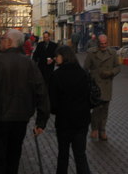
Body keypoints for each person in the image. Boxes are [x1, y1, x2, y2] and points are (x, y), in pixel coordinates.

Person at [0, 29, 50, 174]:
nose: (0, 41)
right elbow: (41, 92)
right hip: (20, 118)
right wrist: (41, 120)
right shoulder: (29, 63)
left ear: (9, 42)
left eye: (2, 39)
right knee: (14, 155)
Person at [48, 45, 92, 174]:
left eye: (57, 56)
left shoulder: (56, 75)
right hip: (81, 121)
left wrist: (56, 111)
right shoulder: (83, 73)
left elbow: (53, 103)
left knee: (63, 155)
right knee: (80, 155)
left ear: (64, 57)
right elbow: (89, 96)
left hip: (64, 122)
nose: (55, 58)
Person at [84, 34, 120, 140]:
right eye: (101, 44)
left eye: (105, 44)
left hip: (107, 84)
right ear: (98, 43)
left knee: (105, 109)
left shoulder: (112, 53)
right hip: (96, 86)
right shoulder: (91, 53)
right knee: (96, 109)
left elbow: (118, 67)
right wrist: (91, 79)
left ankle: (102, 130)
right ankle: (94, 128)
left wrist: (110, 73)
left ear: (107, 43)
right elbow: (85, 68)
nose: (103, 46)